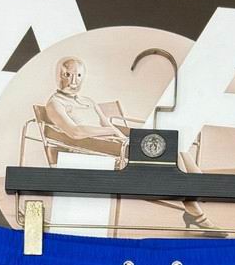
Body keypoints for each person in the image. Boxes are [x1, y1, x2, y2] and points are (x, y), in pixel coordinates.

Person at [45, 56, 225, 233]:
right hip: (94, 151)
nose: (73, 81)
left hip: (114, 143)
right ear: (58, 75)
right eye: (67, 75)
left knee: (176, 148)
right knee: (167, 153)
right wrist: (112, 133)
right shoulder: (55, 103)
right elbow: (75, 132)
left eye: (78, 75)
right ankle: (196, 211)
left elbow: (108, 125)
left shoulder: (88, 101)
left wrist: (119, 134)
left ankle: (196, 187)